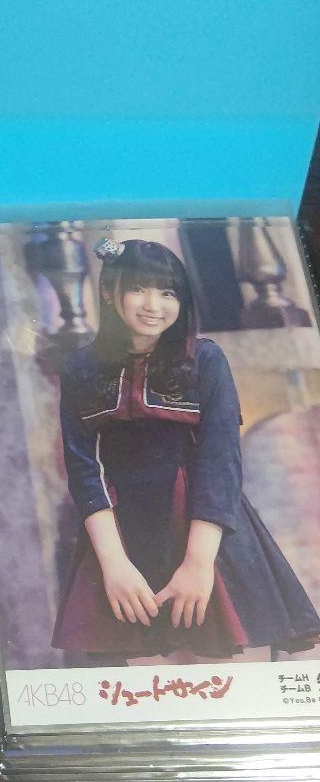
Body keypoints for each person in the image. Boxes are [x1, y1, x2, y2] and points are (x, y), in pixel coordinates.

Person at [52, 237, 320, 661]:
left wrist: (198, 564)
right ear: (107, 291)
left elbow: (221, 461)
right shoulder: (81, 367)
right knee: (134, 672)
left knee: (228, 666)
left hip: (203, 530)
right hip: (119, 534)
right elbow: (83, 467)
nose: (154, 305)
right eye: (138, 289)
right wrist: (113, 564)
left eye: (168, 292)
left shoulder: (205, 359)